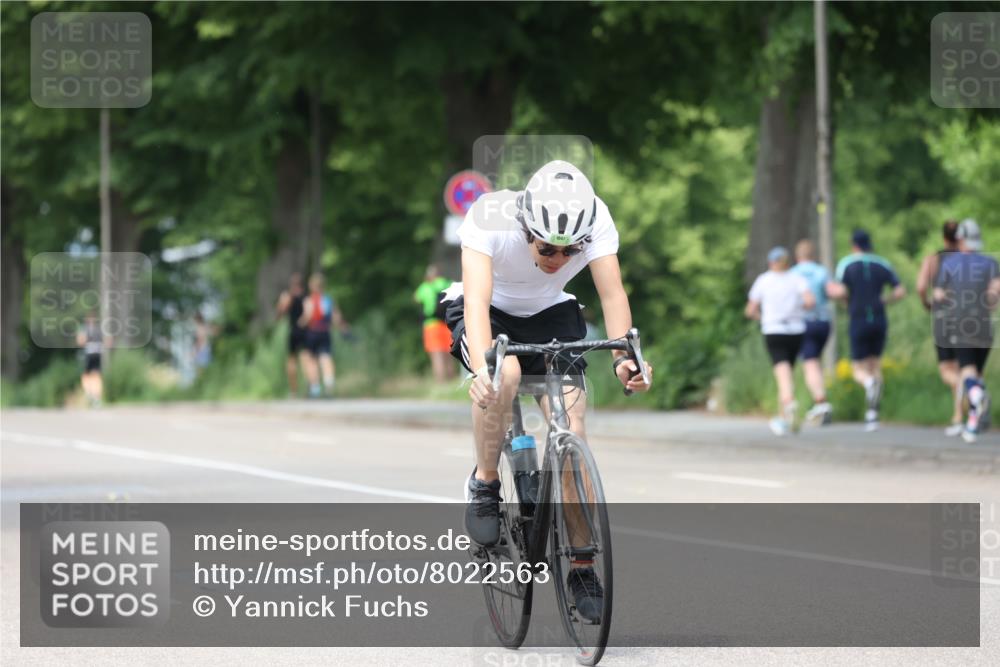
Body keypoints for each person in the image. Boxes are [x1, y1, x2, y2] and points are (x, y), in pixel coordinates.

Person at [440, 160, 653, 623]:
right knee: (506, 375)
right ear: (526, 226)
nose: (557, 260)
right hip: (488, 309)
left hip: (551, 311)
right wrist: (483, 368)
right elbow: (476, 300)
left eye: (569, 251)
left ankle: (580, 567)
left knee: (573, 426)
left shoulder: (596, 216)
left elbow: (613, 295)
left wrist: (625, 361)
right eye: (546, 249)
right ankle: (486, 483)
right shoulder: (490, 217)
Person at [827, 229, 906, 431]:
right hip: (879, 318)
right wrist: (886, 300)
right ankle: (873, 414)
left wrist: (842, 299)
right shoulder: (882, 263)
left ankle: (868, 384)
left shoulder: (847, 263)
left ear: (854, 245)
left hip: (859, 318)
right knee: (875, 364)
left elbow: (842, 290)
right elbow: (900, 290)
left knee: (858, 369)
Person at [933, 219, 1000, 443]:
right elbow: (994, 297)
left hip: (961, 323)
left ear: (960, 238)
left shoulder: (950, 263)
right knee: (977, 373)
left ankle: (978, 397)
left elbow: (939, 295)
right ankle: (972, 424)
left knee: (968, 371)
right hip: (985, 324)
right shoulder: (991, 263)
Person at [746, 246, 815, 436]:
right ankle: (784, 418)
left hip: (774, 329)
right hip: (796, 330)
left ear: (771, 263)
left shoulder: (764, 280)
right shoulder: (797, 279)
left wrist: (762, 317)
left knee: (782, 374)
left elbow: (750, 310)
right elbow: (810, 302)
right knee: (787, 374)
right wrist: (797, 309)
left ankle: (789, 402)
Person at [917, 220, 962, 434]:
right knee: (965, 367)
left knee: (947, 369)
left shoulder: (933, 260)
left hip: (943, 316)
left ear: (944, 237)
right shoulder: (969, 259)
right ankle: (959, 415)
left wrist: (927, 303)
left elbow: (920, 287)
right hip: (969, 317)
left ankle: (970, 392)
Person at [790, 239, 833, 425]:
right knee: (816, 361)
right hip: (824, 323)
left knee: (810, 363)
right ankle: (820, 399)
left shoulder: (793, 274)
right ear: (813, 255)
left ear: (797, 256)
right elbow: (834, 291)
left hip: (804, 323)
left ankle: (820, 402)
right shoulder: (821, 271)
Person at [299, 272, 348, 398]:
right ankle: (329, 385)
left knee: (312, 360)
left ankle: (315, 389)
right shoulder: (328, 300)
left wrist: (300, 323)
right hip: (325, 331)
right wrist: (342, 328)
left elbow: (308, 316)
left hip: (312, 332)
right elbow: (336, 317)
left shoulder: (309, 300)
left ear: (312, 286)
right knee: (326, 358)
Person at [413, 264, 455, 382]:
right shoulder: (447, 283)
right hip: (447, 323)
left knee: (437, 354)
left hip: (431, 325)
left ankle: (441, 382)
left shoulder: (425, 287)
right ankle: (451, 380)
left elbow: (416, 298)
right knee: (449, 353)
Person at [276, 272, 307, 395]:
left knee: (292, 360)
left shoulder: (288, 296)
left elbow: (280, 314)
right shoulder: (306, 296)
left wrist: (281, 302)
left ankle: (293, 390)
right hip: (305, 330)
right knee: (306, 357)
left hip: (294, 330)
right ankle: (310, 387)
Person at [76, 313, 105, 407]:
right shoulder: (99, 329)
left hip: (89, 354)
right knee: (96, 375)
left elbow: (80, 341)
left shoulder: (84, 329)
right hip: (98, 353)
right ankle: (96, 397)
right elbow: (108, 341)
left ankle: (90, 393)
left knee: (86, 375)